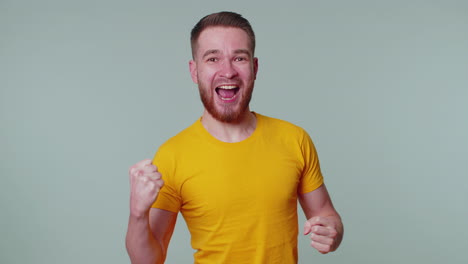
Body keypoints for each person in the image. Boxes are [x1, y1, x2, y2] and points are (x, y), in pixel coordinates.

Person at [126, 11, 343, 264]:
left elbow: (327, 215)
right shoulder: (172, 156)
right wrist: (137, 214)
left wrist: (332, 232)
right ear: (194, 71)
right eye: (213, 58)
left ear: (255, 67)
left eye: (239, 58)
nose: (227, 71)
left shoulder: (294, 139)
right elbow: (146, 260)